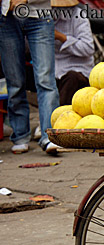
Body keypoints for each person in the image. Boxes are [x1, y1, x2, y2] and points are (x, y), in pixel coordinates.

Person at [0, 0, 60, 154]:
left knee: (45, 80)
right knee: (14, 81)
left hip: (39, 15)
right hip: (8, 17)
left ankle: (49, 137)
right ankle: (20, 136)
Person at [52, 0, 94, 105]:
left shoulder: (78, 16)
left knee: (72, 78)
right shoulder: (40, 18)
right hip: (52, 71)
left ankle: (62, 117)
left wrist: (61, 37)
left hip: (77, 71)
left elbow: (88, 48)